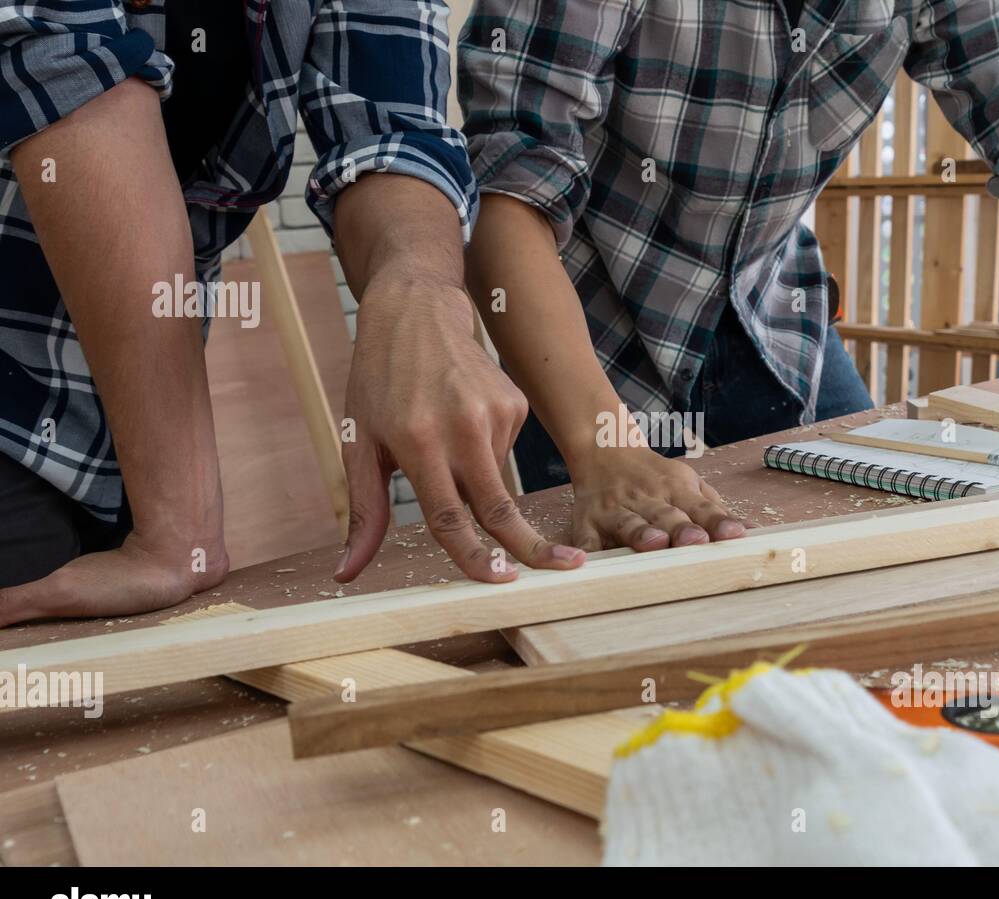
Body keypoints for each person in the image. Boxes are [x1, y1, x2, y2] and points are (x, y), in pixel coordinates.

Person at [457, 0, 999, 555]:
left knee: (850, 563)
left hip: (772, 312)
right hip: (577, 334)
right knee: (620, 605)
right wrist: (605, 444)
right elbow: (510, 193)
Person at [0, 0, 584, 627]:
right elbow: (72, 82)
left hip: (124, 426)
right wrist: (179, 526)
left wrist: (415, 290)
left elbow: (390, 129)